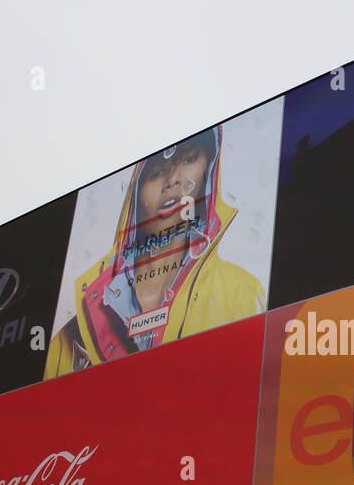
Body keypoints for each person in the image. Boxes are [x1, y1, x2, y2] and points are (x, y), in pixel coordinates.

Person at [45, 127, 266, 377]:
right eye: (157, 172)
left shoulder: (243, 296)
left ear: (210, 170)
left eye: (189, 159)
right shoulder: (68, 340)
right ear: (135, 197)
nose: (172, 179)